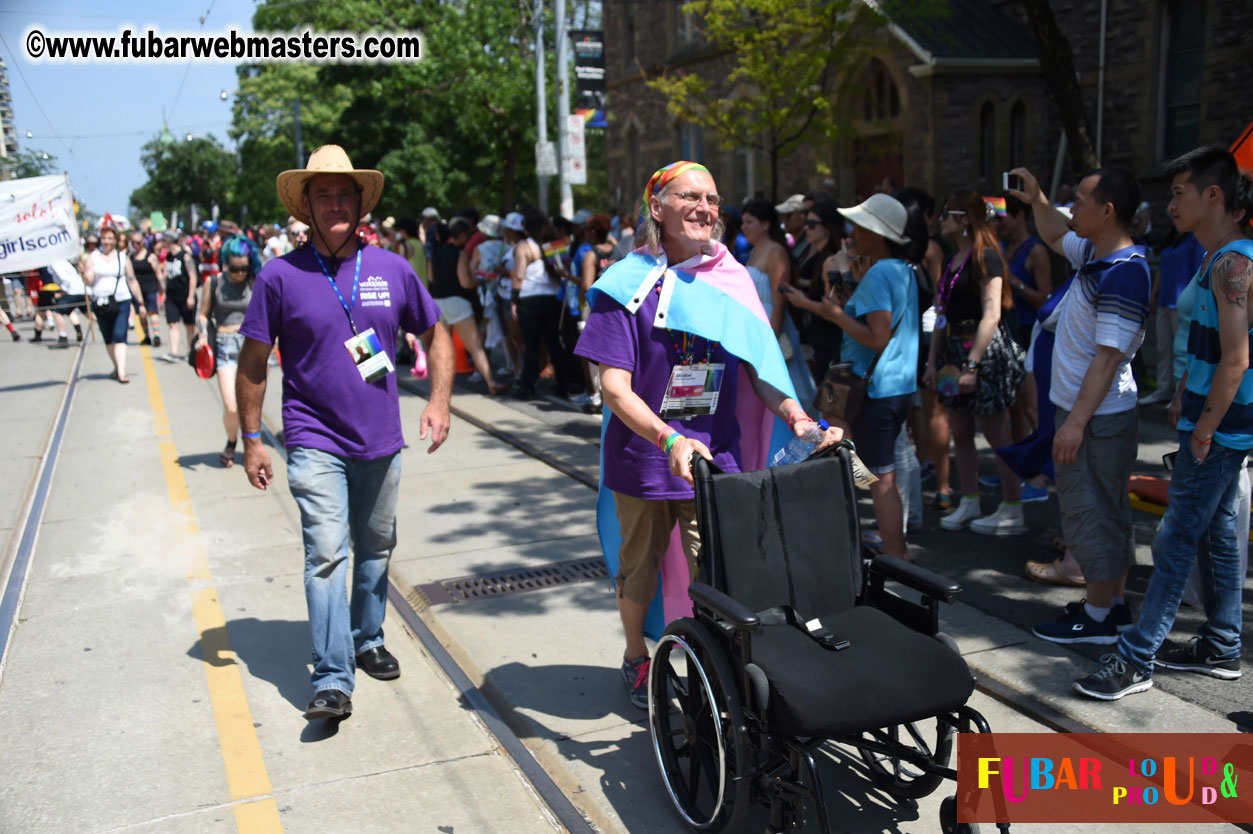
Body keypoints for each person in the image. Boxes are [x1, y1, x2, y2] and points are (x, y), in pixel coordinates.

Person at [575, 161, 841, 708]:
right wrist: (667, 439)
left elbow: (761, 369)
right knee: (638, 571)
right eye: (690, 196)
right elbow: (614, 388)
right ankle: (635, 657)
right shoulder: (620, 286)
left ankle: (713, 667)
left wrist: (800, 419)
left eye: (714, 199)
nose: (705, 208)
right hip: (645, 459)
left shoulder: (733, 280)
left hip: (716, 460)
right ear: (657, 207)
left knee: (721, 576)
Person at [237, 145, 453, 721]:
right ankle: (333, 677)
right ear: (305, 206)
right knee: (328, 553)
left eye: (344, 193)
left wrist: (438, 401)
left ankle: (368, 637)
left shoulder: (392, 268)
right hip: (313, 438)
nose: (334, 203)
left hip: (380, 438)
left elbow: (437, 333)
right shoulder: (279, 276)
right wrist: (254, 438)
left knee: (377, 548)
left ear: (360, 203)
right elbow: (253, 361)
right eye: (323, 194)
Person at [1073, 148, 1253, 699]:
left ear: (1213, 196)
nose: (1169, 202)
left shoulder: (1232, 263)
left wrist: (1203, 430)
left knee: (1175, 537)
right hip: (1212, 420)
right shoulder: (1219, 257)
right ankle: (1222, 644)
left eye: (1179, 193)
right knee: (1217, 531)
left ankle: (1136, 658)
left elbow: (1237, 358)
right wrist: (1183, 395)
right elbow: (1211, 351)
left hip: (1218, 428)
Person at [1006, 165, 1151, 646]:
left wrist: (1073, 425)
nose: (1073, 210)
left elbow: (1108, 359)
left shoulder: (1125, 272)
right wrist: (1038, 198)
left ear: (1107, 211)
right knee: (1101, 512)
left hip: (1096, 418)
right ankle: (1108, 607)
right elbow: (1053, 231)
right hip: (1089, 415)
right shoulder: (1095, 252)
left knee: (1092, 514)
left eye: (1081, 202)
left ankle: (1097, 618)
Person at [785, 193, 919, 560]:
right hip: (894, 386)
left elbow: (877, 336)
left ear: (878, 232)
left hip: (874, 388)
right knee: (855, 459)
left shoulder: (879, 273)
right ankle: (870, 540)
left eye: (860, 225)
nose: (852, 232)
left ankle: (895, 553)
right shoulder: (900, 269)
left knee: (880, 478)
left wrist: (834, 312)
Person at [925, 191, 1025, 535]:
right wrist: (932, 360)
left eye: (946, 214)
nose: (940, 220)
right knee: (961, 430)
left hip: (980, 352)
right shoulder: (953, 259)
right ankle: (970, 499)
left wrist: (973, 364)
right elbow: (941, 314)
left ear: (965, 219)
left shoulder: (986, 257)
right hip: (953, 348)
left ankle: (1012, 507)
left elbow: (992, 313)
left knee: (997, 432)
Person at [740, 198, 817, 418]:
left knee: (785, 392)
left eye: (749, 221)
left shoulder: (775, 252)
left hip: (773, 328)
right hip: (756, 329)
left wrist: (770, 341)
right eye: (743, 222)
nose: (744, 226)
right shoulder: (755, 251)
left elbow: (780, 299)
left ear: (765, 224)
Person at [196, 235, 261, 467]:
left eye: (244, 268)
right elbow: (203, 314)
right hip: (224, 345)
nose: (240, 273)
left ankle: (252, 443)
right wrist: (203, 334)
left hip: (253, 347)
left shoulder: (255, 281)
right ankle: (232, 441)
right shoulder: (214, 282)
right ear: (226, 263)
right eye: (235, 268)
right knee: (231, 405)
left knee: (252, 405)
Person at [428, 218, 506, 394]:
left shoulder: (435, 252)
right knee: (476, 346)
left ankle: (439, 387)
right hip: (458, 303)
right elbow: (465, 282)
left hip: (438, 302)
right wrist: (479, 282)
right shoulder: (459, 253)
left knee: (443, 347)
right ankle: (491, 382)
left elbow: (431, 278)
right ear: (461, 235)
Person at [1140, 228, 1205, 405]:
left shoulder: (1195, 241)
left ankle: (1180, 393)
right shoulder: (1172, 240)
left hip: (1182, 305)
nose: (1173, 208)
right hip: (1164, 301)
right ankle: (1163, 390)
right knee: (1163, 348)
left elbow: (1198, 272)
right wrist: (1153, 294)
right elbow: (1161, 268)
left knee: (1182, 349)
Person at [511, 209, 569, 399]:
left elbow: (519, 276)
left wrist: (514, 299)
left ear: (527, 228)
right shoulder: (554, 244)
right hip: (552, 298)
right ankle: (563, 384)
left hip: (529, 298)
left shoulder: (524, 247)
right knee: (553, 342)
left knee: (531, 345)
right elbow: (563, 269)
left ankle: (527, 385)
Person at [83, 226, 147, 382]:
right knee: (108, 338)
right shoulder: (92, 257)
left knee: (120, 335)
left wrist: (140, 302)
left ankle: (122, 372)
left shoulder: (122, 257)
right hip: (101, 302)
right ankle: (117, 367)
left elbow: (131, 280)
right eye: (104, 238)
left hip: (121, 300)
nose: (107, 241)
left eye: (110, 238)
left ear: (115, 240)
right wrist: (85, 274)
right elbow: (89, 281)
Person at [795, 201, 843, 382]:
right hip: (822, 340)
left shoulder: (831, 260)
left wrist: (801, 301)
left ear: (828, 228)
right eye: (807, 223)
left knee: (827, 404)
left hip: (830, 341)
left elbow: (834, 310)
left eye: (813, 224)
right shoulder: (824, 256)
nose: (807, 228)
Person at [160, 230, 200, 363]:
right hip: (172, 296)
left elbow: (193, 276)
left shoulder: (185, 256)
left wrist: (191, 296)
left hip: (185, 295)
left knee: (189, 325)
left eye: (164, 240)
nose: (162, 243)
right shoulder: (168, 257)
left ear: (170, 241)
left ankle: (190, 351)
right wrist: (164, 295)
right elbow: (166, 277)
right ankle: (174, 352)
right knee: (173, 323)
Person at [129, 231, 163, 348]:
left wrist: (162, 292)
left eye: (137, 242)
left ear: (142, 242)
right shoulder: (131, 256)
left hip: (151, 288)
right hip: (137, 291)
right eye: (133, 243)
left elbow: (159, 275)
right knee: (141, 314)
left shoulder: (150, 257)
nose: (135, 245)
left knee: (152, 312)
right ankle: (146, 336)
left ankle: (156, 335)